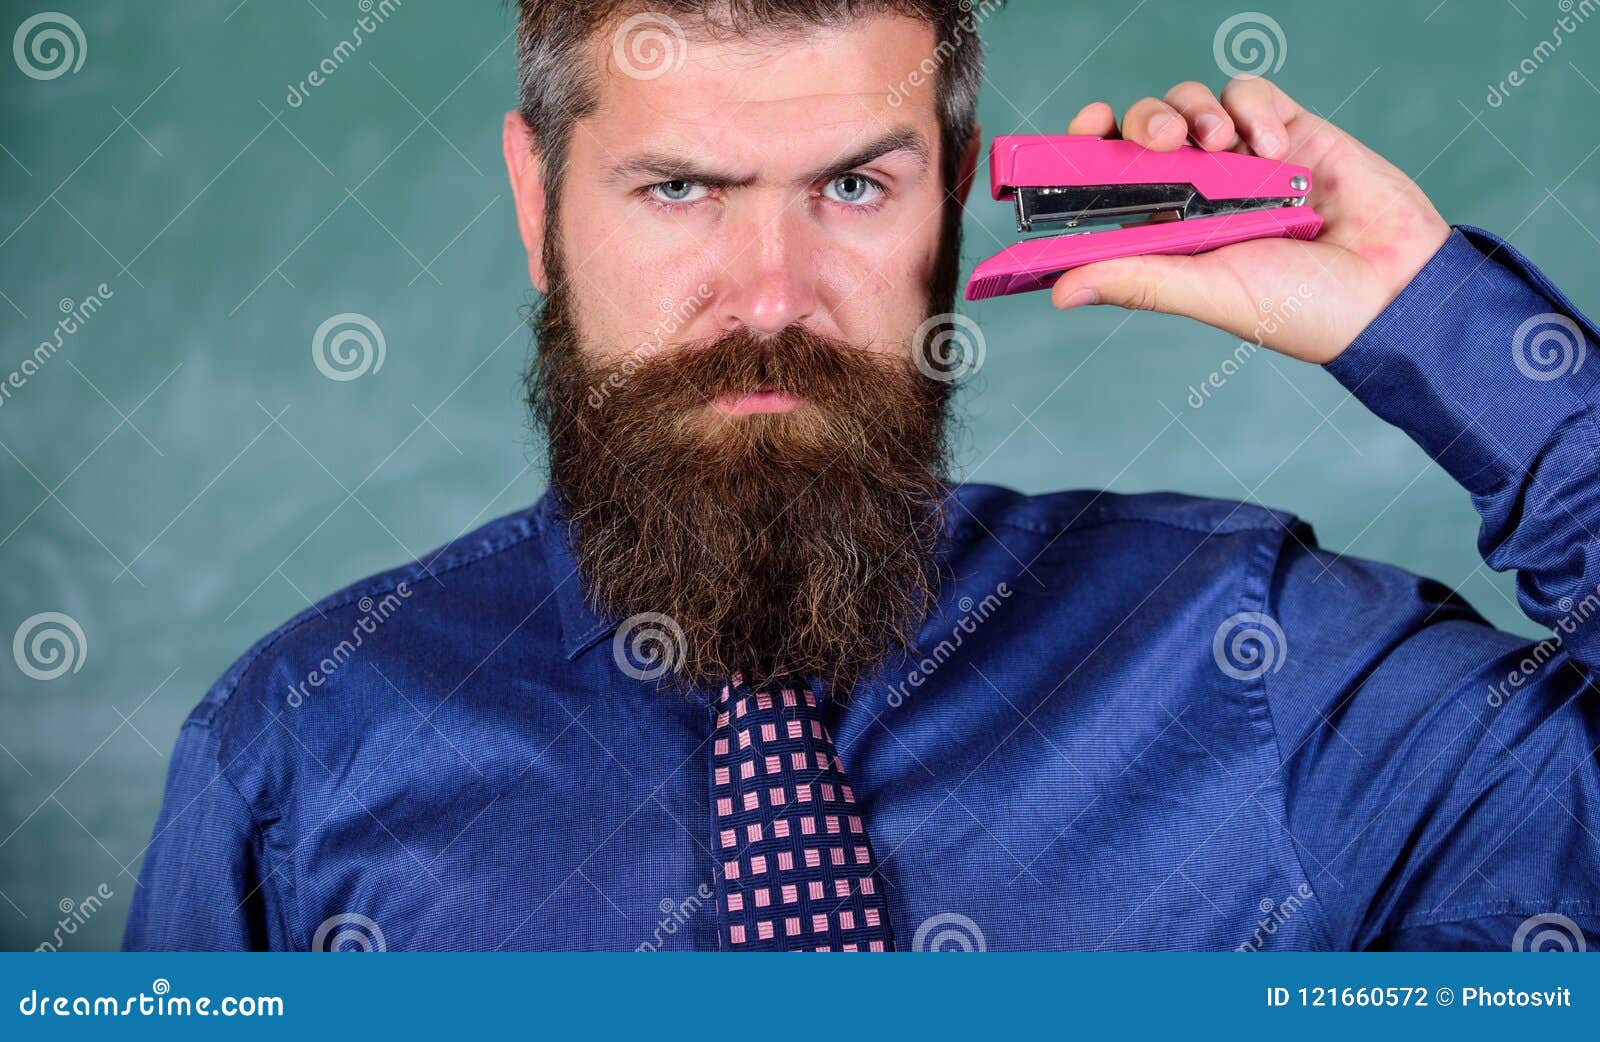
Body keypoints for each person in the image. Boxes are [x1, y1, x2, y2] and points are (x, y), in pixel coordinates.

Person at [125, 1, 1599, 952]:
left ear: (953, 200)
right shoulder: (301, 753)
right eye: (679, 187)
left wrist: (1429, 318)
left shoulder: (1262, 668)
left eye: (852, 186)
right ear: (540, 201)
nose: (770, 295)